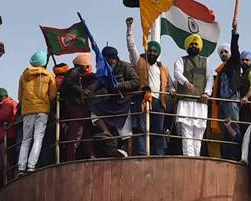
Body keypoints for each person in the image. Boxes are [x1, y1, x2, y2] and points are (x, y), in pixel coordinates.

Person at [125, 17, 172, 156]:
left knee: (158, 130)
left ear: (157, 53)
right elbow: (131, 46)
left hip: (158, 102)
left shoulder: (163, 68)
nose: (152, 52)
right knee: (141, 129)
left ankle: (158, 155)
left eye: (154, 51)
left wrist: (172, 91)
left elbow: (169, 85)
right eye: (150, 50)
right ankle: (142, 154)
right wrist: (129, 28)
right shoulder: (139, 61)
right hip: (142, 99)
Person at [89, 45, 141, 155]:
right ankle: (106, 132)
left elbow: (136, 81)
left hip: (124, 103)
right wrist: (90, 90)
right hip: (111, 102)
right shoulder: (105, 70)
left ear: (114, 59)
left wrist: (120, 85)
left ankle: (128, 155)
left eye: (108, 60)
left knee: (126, 132)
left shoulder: (126, 66)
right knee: (94, 111)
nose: (107, 62)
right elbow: (99, 82)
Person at [17, 51, 57, 174]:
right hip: (42, 110)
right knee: (38, 138)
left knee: (25, 140)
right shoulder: (49, 76)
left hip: (28, 110)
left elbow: (20, 96)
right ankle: (31, 166)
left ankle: (21, 167)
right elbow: (52, 95)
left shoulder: (24, 76)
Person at [173, 33, 212, 157]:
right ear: (187, 46)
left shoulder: (206, 61)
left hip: (200, 102)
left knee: (199, 132)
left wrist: (207, 92)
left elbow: (210, 78)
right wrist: (185, 82)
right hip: (185, 101)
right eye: (191, 44)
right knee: (187, 132)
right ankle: (188, 157)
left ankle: (196, 157)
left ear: (199, 47)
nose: (193, 45)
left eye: (196, 44)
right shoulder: (181, 60)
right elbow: (177, 73)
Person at [211, 27, 245, 160]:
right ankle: (227, 157)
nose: (223, 54)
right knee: (225, 131)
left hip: (231, 100)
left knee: (233, 127)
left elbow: (235, 49)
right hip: (223, 103)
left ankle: (236, 156)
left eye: (226, 52)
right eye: (221, 53)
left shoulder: (234, 63)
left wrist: (234, 33)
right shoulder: (221, 69)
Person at [57, 54, 98, 161]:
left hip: (76, 105)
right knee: (75, 133)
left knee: (85, 132)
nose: (87, 68)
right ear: (82, 65)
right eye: (86, 66)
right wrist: (81, 91)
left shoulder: (75, 73)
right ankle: (71, 158)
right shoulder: (73, 72)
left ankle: (91, 154)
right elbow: (68, 83)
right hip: (75, 106)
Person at [0, 87, 18, 178]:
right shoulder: (11, 103)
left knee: (7, 163)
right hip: (8, 136)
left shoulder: (8, 104)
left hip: (6, 137)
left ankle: (9, 180)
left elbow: (3, 117)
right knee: (8, 162)